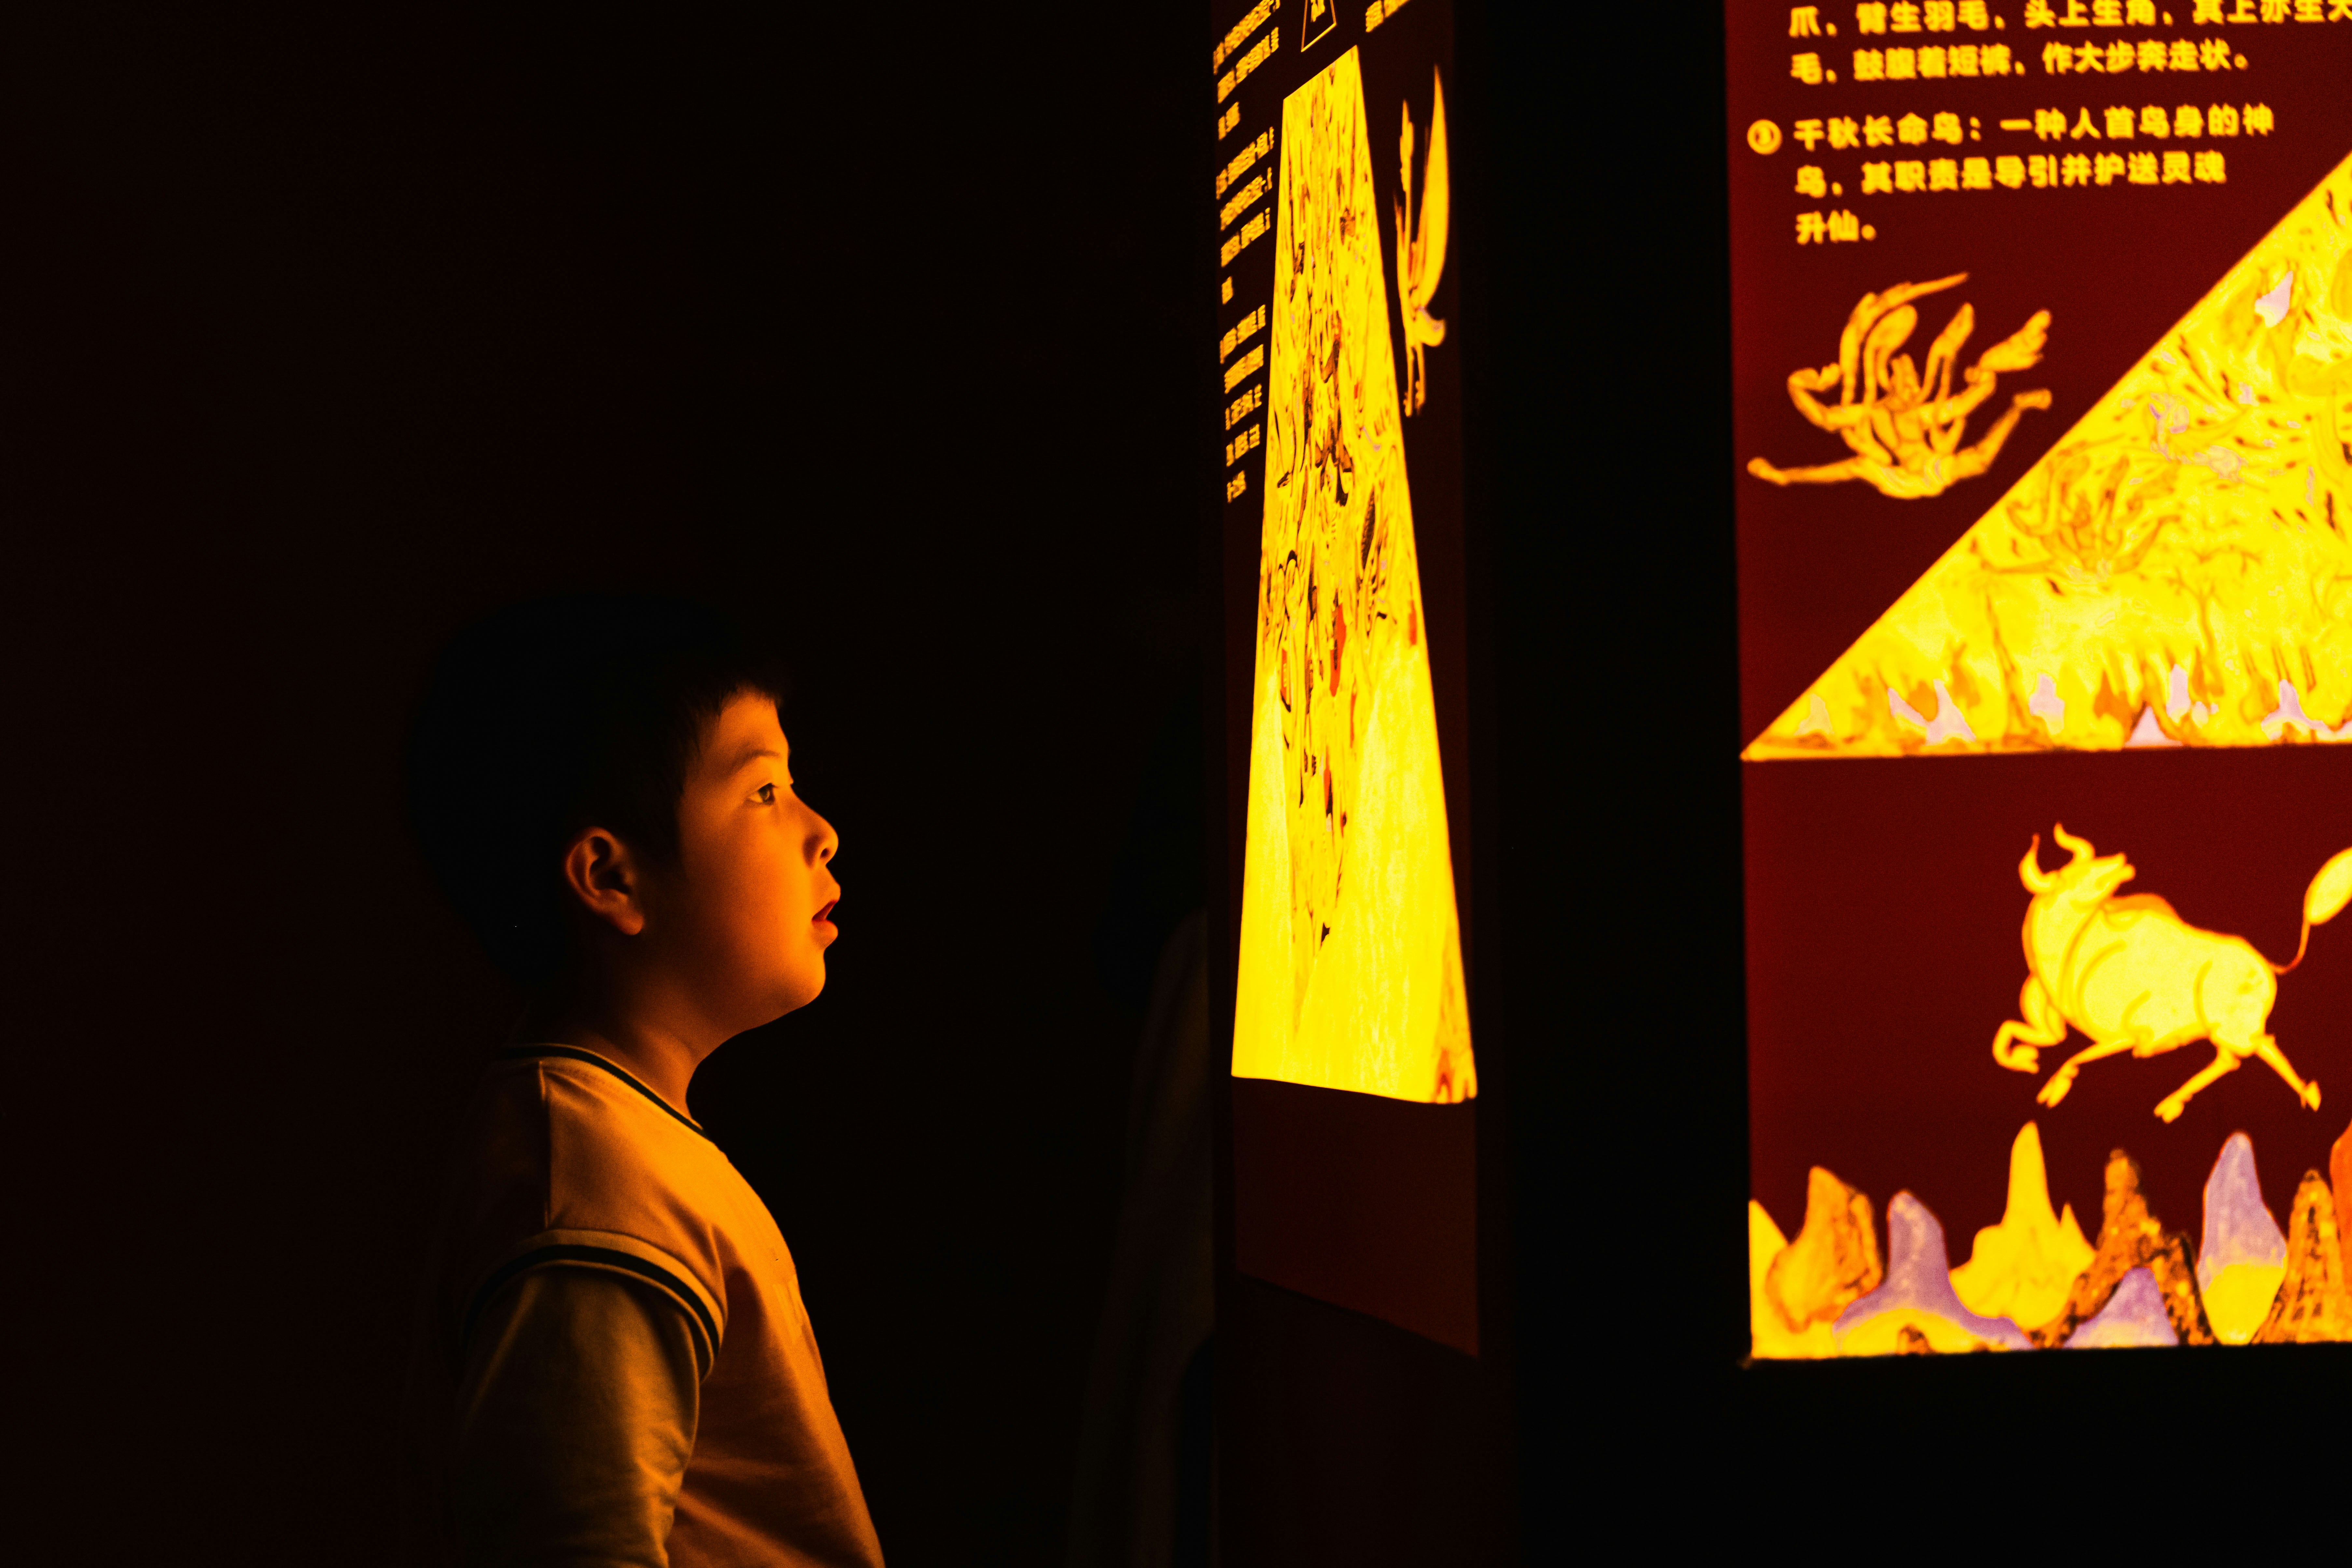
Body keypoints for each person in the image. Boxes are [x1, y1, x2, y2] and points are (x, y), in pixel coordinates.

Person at [400, 596, 883, 1566]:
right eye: (764, 792)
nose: (821, 829)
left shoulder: (619, 1145)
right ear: (610, 878)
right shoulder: (590, 1198)